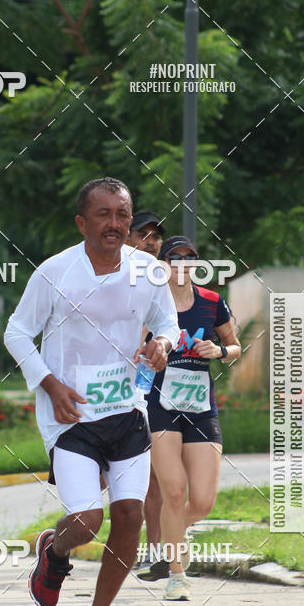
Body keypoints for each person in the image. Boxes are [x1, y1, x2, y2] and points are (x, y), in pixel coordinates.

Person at [4, 177, 179, 606]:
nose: (115, 224)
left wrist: (163, 343)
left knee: (129, 516)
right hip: (71, 417)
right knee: (85, 518)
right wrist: (50, 384)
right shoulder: (56, 272)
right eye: (103, 215)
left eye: (122, 215)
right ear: (82, 222)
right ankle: (54, 551)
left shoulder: (148, 271)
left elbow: (167, 322)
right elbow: (17, 333)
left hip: (126, 409)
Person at [136, 235, 241, 600]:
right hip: (160, 406)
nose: (181, 263)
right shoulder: (150, 302)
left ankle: (169, 540)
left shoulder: (212, 302)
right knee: (174, 492)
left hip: (200, 407)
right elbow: (133, 350)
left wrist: (219, 349)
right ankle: (177, 576)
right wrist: (145, 358)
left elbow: (234, 348)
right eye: (173, 257)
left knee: (203, 502)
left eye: (188, 258)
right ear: (162, 264)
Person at [126, 210, 165, 562]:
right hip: (103, 393)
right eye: (143, 234)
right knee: (99, 479)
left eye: (156, 236)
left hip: (149, 391)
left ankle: (153, 553)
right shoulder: (111, 274)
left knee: (151, 477)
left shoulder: (158, 281)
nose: (150, 242)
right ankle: (70, 532)